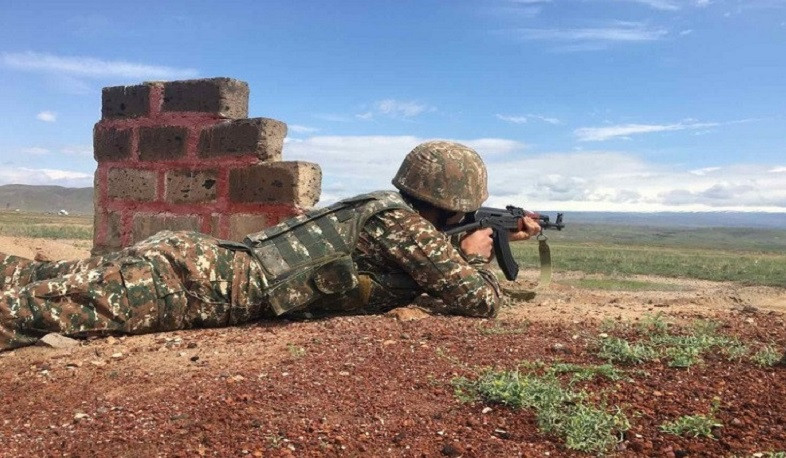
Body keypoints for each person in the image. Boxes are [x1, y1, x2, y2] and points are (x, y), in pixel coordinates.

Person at [0, 141, 541, 351]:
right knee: (26, 312)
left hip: (199, 265)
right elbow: (477, 301)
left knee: (32, 280)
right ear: (452, 201)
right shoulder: (405, 228)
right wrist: (474, 256)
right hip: (197, 287)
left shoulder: (382, 207)